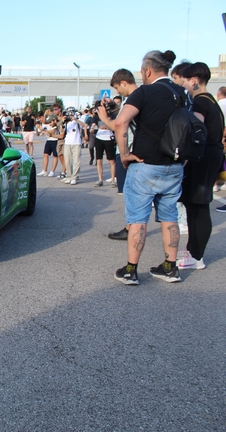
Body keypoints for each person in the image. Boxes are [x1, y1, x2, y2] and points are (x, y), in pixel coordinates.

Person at [114, 50, 185, 285]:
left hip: (145, 166)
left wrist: (125, 155)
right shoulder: (182, 93)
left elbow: (121, 122)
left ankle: (131, 270)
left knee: (138, 219)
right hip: (174, 166)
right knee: (169, 217)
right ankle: (170, 268)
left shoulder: (144, 92)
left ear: (147, 71)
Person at [175, 62, 225, 270]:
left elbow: (194, 133)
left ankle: (196, 256)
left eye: (185, 80)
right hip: (210, 155)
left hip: (202, 158)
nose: (184, 84)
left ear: (194, 80)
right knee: (195, 204)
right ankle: (193, 250)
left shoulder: (200, 103)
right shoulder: (210, 100)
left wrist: (182, 158)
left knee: (199, 206)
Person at [99, 69, 138, 241]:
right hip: (138, 150)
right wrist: (114, 107)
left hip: (131, 151)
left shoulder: (133, 98)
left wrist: (104, 118)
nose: (117, 92)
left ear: (123, 82)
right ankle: (132, 228)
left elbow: (120, 124)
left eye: (117, 88)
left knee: (131, 193)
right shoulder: (142, 97)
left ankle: (132, 229)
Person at [62, 112, 85, 185]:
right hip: (67, 142)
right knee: (68, 161)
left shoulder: (77, 121)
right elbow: (61, 130)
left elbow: (83, 125)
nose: (70, 116)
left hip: (76, 142)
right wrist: (62, 121)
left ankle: (74, 177)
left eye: (71, 114)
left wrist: (75, 119)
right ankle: (68, 176)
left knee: (76, 161)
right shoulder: (66, 122)